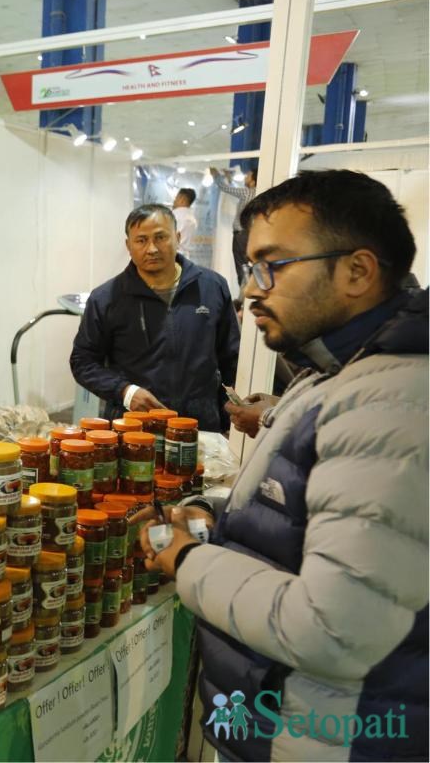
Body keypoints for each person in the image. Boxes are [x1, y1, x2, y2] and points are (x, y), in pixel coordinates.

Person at [141, 170, 427, 761]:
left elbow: (333, 628)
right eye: (250, 267)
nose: (251, 289)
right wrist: (219, 516)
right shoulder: (337, 371)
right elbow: (305, 514)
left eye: (272, 265)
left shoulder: (391, 402)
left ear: (357, 271)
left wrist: (188, 559)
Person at [70, 203, 240, 430]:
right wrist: (125, 391)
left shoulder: (211, 287)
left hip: (199, 426)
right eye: (141, 240)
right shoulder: (107, 298)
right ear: (128, 246)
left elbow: (232, 357)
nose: (151, 249)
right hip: (134, 427)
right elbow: (83, 361)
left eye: (161, 237)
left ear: (177, 238)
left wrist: (228, 416)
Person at [214, 166, 257, 278]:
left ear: (253, 181)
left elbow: (225, 188)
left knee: (241, 266)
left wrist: (216, 175)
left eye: (248, 176)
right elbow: (234, 189)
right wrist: (229, 178)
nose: (245, 177)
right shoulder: (256, 193)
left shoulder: (247, 192)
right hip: (250, 234)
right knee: (248, 265)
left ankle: (244, 288)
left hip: (241, 235)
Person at [172, 187, 199, 259]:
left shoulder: (173, 216)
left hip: (172, 256)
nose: (174, 201)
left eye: (176, 198)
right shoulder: (193, 220)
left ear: (182, 199)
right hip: (186, 258)